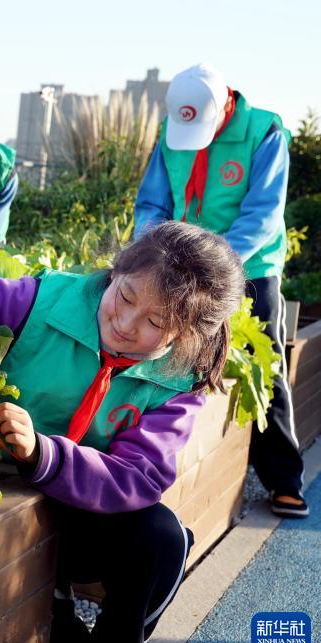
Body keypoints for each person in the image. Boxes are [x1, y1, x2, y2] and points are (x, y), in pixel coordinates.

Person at [0, 222, 246, 643]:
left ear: (187, 335)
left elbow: (139, 477)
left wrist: (43, 453)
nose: (126, 324)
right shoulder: (45, 301)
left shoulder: (180, 379)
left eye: (156, 324)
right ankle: (60, 615)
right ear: (115, 272)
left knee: (163, 538)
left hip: (83, 517)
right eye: (125, 297)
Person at [134, 63, 306, 518]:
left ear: (225, 106)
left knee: (262, 367)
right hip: (179, 269)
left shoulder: (264, 132)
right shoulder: (174, 130)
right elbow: (152, 202)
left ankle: (285, 479)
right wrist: (150, 250)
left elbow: (263, 214)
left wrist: (215, 262)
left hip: (249, 268)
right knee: (169, 357)